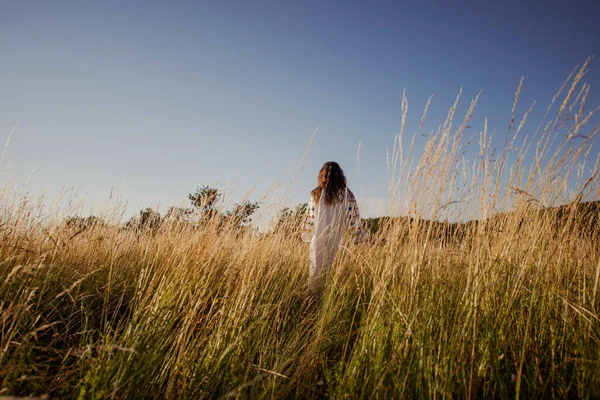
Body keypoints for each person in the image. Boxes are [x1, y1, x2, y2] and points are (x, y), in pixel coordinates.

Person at [302, 161, 366, 294]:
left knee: (316, 277)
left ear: (322, 175)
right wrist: (357, 236)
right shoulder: (347, 195)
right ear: (340, 176)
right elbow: (352, 220)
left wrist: (306, 235)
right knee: (335, 277)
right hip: (339, 241)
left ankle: (314, 306)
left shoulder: (315, 194)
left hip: (318, 240)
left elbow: (310, 220)